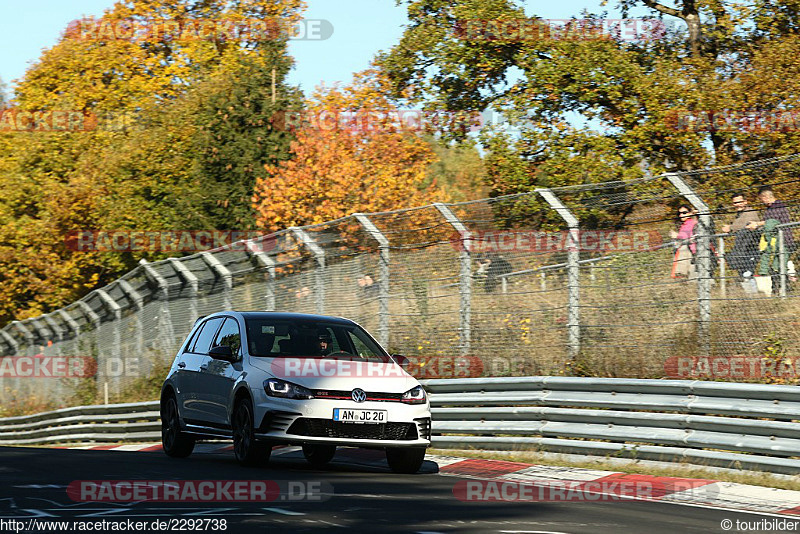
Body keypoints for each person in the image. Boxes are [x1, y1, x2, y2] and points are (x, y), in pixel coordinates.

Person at [722, 194, 761, 279]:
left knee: (747, 272)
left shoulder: (750, 212)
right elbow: (738, 225)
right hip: (743, 248)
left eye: (740, 202)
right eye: (735, 203)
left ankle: (752, 291)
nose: (737, 204)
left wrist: (730, 228)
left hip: (751, 248)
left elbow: (748, 224)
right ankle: (751, 291)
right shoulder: (739, 214)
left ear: (745, 202)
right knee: (743, 272)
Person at [670, 205, 697, 278]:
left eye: (684, 213)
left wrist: (677, 236)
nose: (681, 215)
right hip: (689, 253)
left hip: (693, 251)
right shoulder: (683, 224)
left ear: (690, 213)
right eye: (680, 213)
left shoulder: (692, 222)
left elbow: (689, 236)